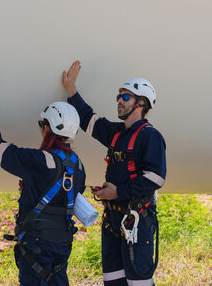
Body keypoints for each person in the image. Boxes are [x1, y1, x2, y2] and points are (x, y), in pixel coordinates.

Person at [62, 60, 167, 286]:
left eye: (125, 97)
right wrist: (71, 89)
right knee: (113, 281)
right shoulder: (116, 132)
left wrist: (118, 192)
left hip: (136, 221)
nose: (119, 100)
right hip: (113, 220)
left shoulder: (150, 136)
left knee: (138, 282)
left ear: (140, 103)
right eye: (119, 96)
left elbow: (156, 178)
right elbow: (89, 120)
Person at [0, 100, 86, 286]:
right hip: (62, 242)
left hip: (37, 244)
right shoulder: (79, 166)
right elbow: (73, 194)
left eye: (42, 125)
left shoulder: (39, 160)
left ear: (48, 128)